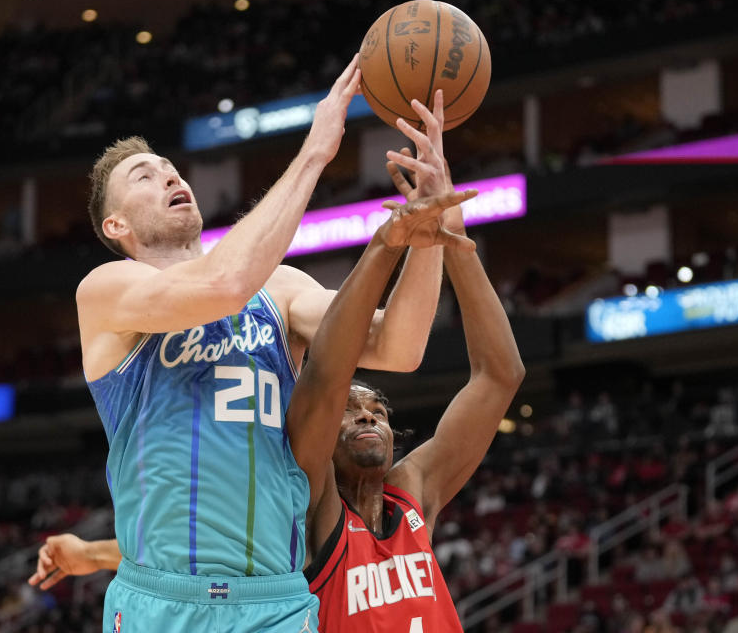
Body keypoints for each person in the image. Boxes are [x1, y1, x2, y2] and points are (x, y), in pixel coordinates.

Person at [33, 93, 524, 632]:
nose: (171, 179)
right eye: (144, 178)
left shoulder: (281, 290)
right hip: (163, 596)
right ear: (115, 226)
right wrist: (315, 152)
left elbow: (400, 346)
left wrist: (430, 230)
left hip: (276, 600)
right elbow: (222, 284)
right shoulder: (106, 290)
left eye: (172, 170)